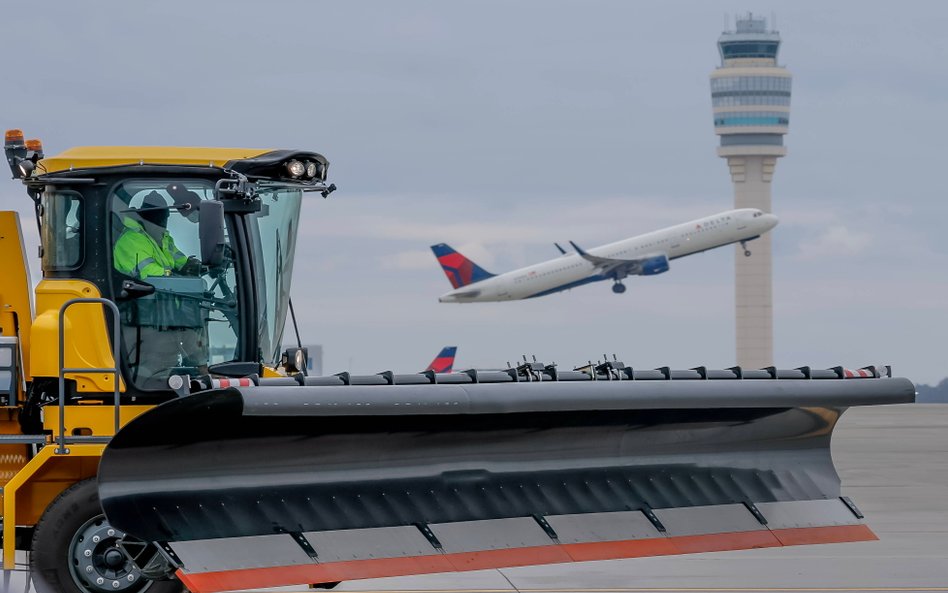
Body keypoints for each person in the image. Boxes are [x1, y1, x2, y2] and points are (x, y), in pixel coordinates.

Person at [113, 191, 201, 279]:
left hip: (165, 290)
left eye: (164, 220)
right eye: (159, 221)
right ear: (146, 220)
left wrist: (194, 266)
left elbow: (181, 262)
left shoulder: (165, 240)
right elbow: (147, 272)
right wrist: (173, 274)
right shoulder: (131, 239)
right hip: (135, 291)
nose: (163, 226)